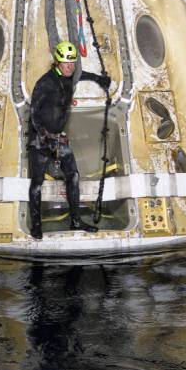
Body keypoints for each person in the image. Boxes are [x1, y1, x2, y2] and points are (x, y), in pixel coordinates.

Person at [28, 41, 110, 240]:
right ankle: (36, 226)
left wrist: (99, 79)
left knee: (73, 176)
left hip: (59, 139)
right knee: (37, 183)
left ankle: (76, 221)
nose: (70, 67)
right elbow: (33, 113)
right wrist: (43, 135)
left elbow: (80, 75)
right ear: (57, 62)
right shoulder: (45, 83)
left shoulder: (69, 76)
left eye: (72, 63)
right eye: (66, 64)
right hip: (40, 140)